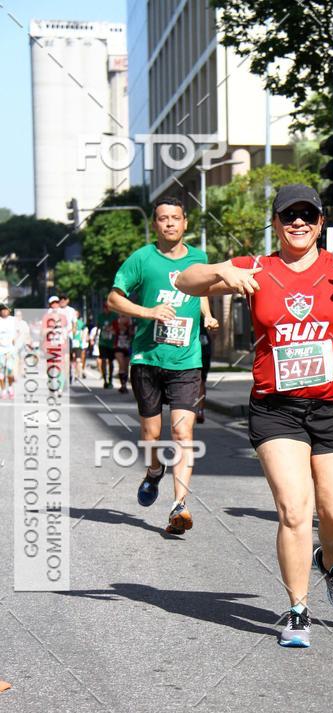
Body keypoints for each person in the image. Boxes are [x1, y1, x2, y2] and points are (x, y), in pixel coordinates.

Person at [176, 183, 333, 648]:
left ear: (320, 222)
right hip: (276, 409)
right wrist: (221, 270)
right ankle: (297, 609)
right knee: (294, 510)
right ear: (275, 222)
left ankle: (329, 561)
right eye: (288, 215)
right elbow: (185, 282)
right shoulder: (257, 267)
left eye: (307, 215)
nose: (298, 222)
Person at [106, 196, 218, 534]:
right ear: (155, 224)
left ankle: (179, 505)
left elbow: (201, 290)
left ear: (185, 223)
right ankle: (155, 470)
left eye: (175, 218)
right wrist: (148, 311)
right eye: (163, 218)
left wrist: (208, 315)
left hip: (186, 360)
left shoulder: (199, 258)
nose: (169, 223)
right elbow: (113, 299)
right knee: (152, 434)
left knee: (183, 432)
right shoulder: (142, 259)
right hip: (147, 359)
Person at [196, 310, 214, 424]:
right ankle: (199, 410)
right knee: (201, 382)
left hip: (195, 349)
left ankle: (197, 410)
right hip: (204, 347)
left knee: (197, 381)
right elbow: (213, 330)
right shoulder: (206, 310)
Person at [97, 300, 118, 388]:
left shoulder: (114, 316)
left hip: (111, 342)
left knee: (111, 361)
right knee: (103, 360)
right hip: (102, 342)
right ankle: (105, 379)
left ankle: (110, 379)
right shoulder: (100, 316)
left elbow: (116, 327)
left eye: (108, 307)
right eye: (105, 308)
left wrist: (112, 329)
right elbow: (98, 327)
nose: (106, 309)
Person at [114, 314, 135, 393]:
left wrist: (129, 326)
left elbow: (132, 334)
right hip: (118, 346)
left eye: (125, 316)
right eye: (122, 316)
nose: (123, 318)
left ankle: (125, 384)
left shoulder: (131, 324)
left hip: (128, 347)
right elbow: (113, 331)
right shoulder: (116, 322)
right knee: (121, 365)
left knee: (126, 367)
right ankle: (122, 385)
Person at [0, 304, 16, 400]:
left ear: (9, 311)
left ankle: (10, 388)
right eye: (2, 310)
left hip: (11, 349)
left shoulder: (13, 320)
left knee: (10, 371)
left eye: (6, 310)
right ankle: (3, 390)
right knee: (1, 372)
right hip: (0, 350)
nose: (4, 311)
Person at [70, 309, 87, 382]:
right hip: (70, 342)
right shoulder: (69, 322)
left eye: (76, 314)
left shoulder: (80, 323)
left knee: (78, 360)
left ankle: (77, 375)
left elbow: (84, 331)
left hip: (77, 343)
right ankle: (70, 373)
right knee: (70, 359)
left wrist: (83, 340)